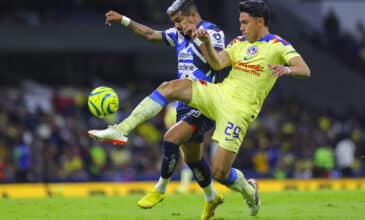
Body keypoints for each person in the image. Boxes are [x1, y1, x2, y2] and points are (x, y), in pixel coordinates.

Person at [89, 0, 311, 217]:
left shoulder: (278, 45)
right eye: (240, 22)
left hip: (239, 111)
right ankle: (122, 129)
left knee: (220, 173)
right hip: (218, 94)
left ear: (260, 21)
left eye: (245, 23)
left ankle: (248, 190)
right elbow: (217, 64)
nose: (241, 27)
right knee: (170, 87)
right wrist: (204, 44)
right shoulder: (237, 42)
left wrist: (286, 70)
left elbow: (304, 69)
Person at [104, 1, 225, 219]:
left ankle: (160, 189)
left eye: (179, 20)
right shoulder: (178, 35)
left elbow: (216, 62)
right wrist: (123, 20)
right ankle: (211, 198)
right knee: (193, 160)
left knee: (171, 138)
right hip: (183, 103)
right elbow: (150, 34)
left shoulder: (212, 32)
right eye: (174, 22)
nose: (176, 26)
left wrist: (197, 38)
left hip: (206, 101)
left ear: (192, 15)